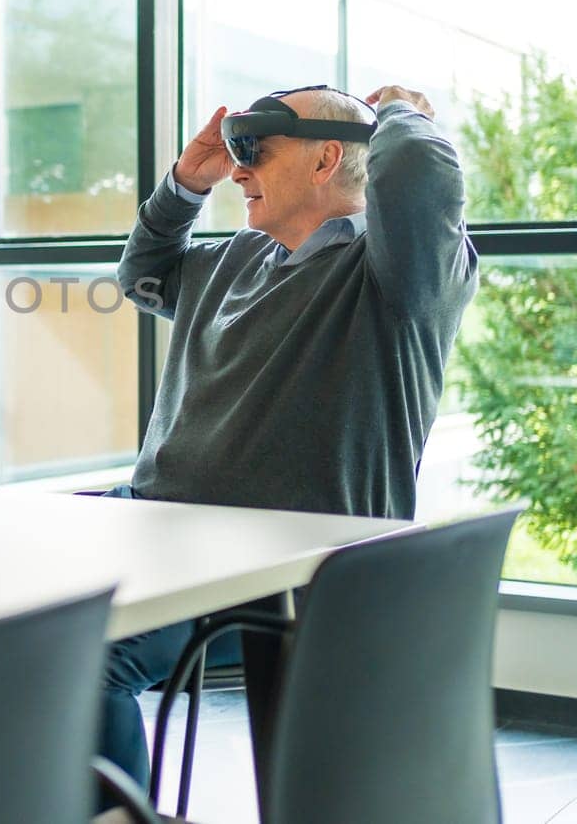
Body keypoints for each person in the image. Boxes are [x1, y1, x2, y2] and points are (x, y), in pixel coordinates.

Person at [100, 83, 478, 794]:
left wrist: (399, 113)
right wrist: (186, 183)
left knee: (81, 659)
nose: (238, 169)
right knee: (8, 631)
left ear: (326, 158)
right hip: (162, 526)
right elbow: (142, 273)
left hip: (292, 558)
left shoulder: (399, 279)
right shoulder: (234, 260)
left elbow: (424, 178)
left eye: (255, 149)